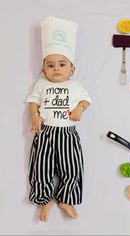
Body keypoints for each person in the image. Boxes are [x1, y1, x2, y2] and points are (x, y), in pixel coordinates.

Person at [26, 16, 91, 222]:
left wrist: (81, 107)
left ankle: (66, 199)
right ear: (43, 69)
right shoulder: (41, 84)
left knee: (72, 166)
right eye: (50, 65)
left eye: (62, 64)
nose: (56, 69)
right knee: (41, 166)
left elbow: (86, 99)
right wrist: (35, 116)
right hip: (45, 132)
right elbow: (33, 101)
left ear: (72, 69)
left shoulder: (76, 85)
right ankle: (45, 199)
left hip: (68, 133)